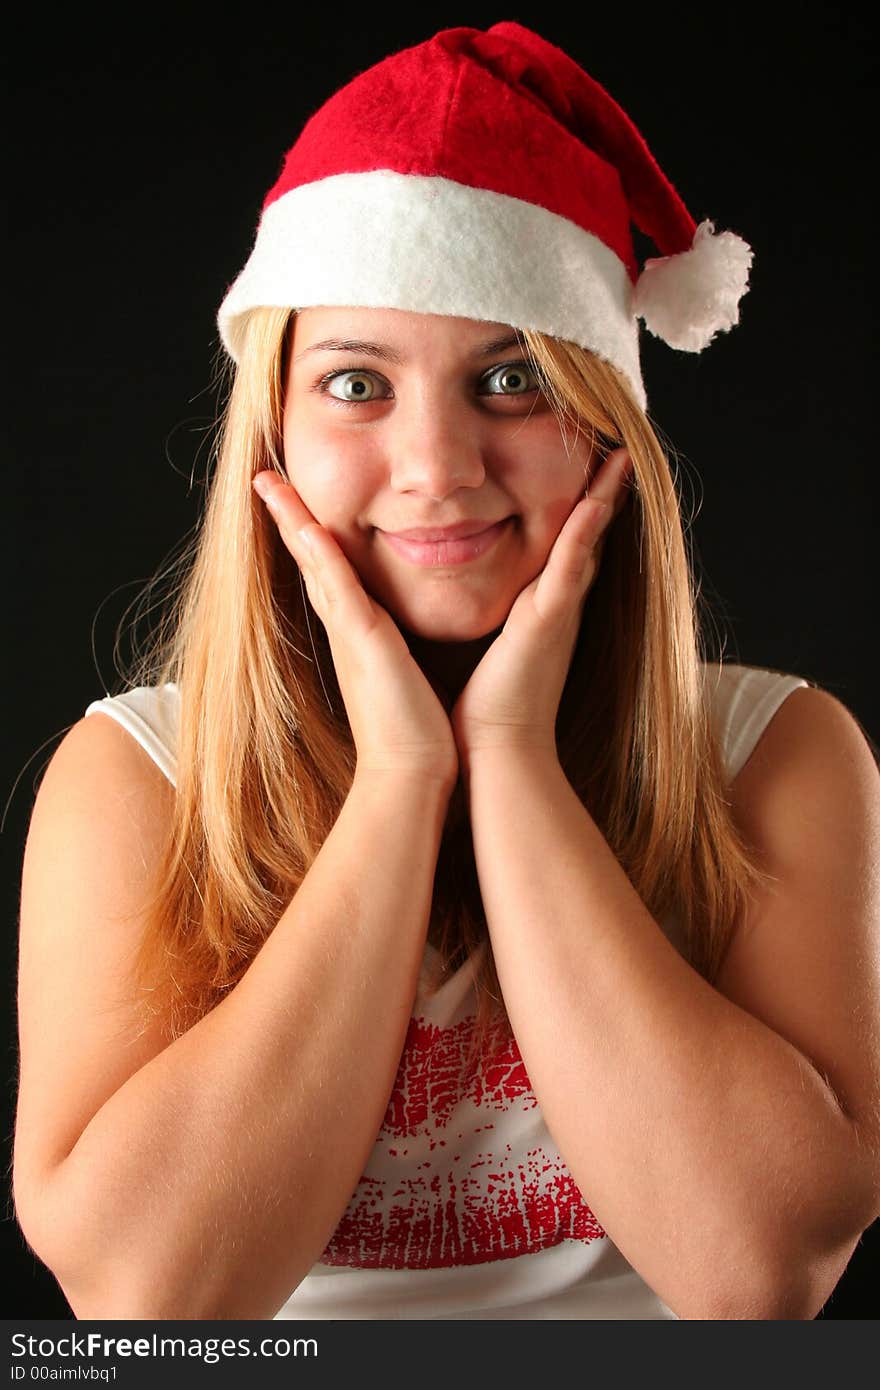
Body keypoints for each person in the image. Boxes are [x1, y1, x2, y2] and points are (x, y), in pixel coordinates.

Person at [11, 21, 880, 1322]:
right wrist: (406, 775)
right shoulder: (134, 777)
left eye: (512, 378)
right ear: (278, 433)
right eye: (358, 381)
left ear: (608, 425)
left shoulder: (778, 755)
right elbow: (149, 1312)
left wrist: (514, 760)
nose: (437, 466)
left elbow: (757, 1280)